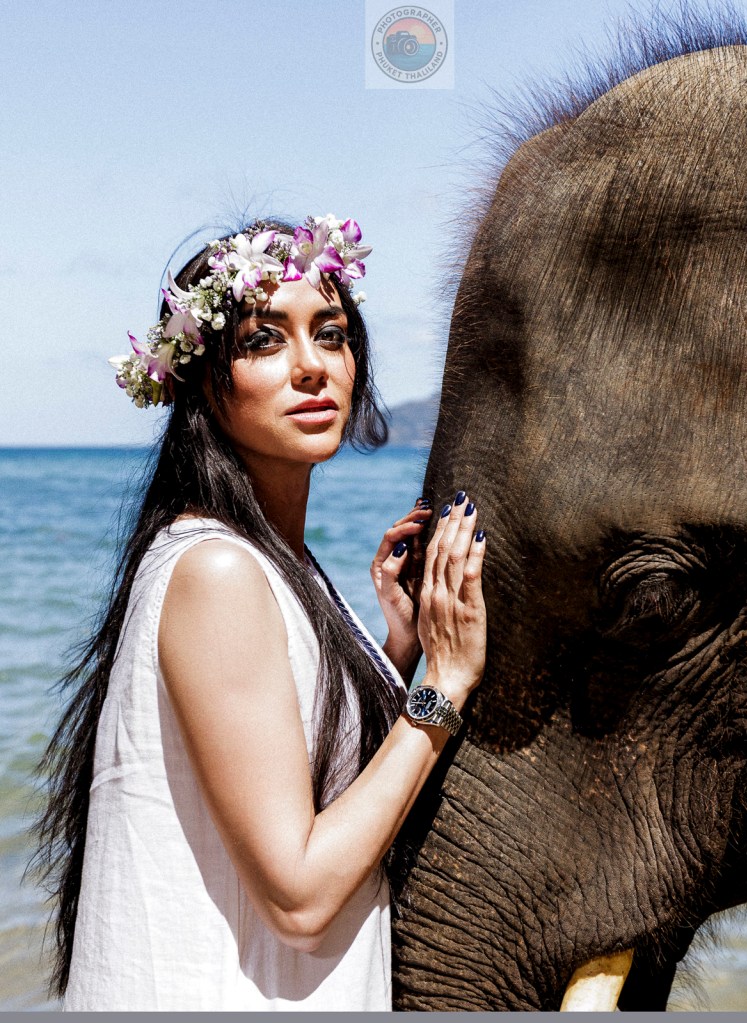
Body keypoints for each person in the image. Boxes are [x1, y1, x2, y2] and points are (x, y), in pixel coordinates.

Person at [33, 214, 486, 1011]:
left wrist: (397, 650)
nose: (312, 366)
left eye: (332, 333)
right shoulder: (216, 569)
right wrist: (444, 685)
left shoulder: (270, 559)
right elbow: (300, 895)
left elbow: (292, 782)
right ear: (207, 383)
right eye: (263, 340)